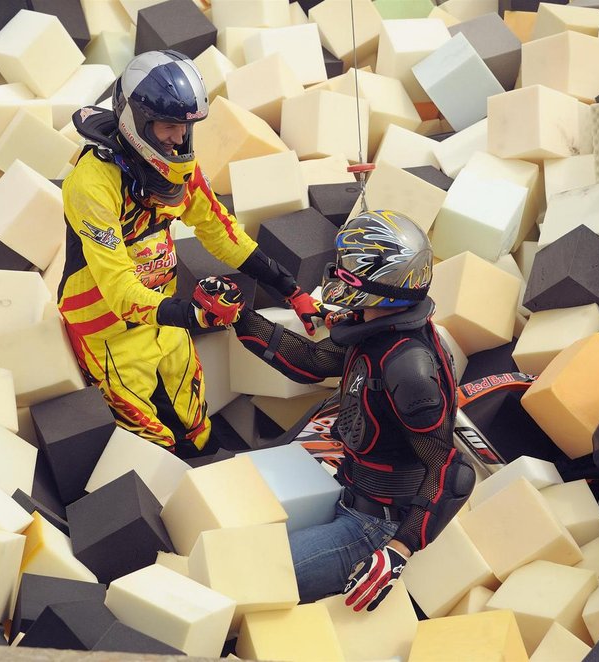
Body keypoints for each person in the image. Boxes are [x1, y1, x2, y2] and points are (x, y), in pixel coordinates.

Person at [58, 50, 323, 456]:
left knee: (197, 424)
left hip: (164, 317)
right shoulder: (91, 184)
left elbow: (222, 234)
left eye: (186, 128)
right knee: (151, 444)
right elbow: (119, 290)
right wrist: (195, 315)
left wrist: (292, 290)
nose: (179, 139)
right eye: (168, 127)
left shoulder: (180, 165)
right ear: (135, 122)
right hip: (108, 331)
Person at [231, 209, 476, 610]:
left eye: (347, 269)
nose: (336, 274)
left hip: (376, 526)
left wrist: (398, 550)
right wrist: (241, 319)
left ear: (379, 283)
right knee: (229, 533)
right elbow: (314, 361)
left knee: (249, 579)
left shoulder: (408, 367)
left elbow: (453, 470)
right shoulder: (379, 328)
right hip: (348, 490)